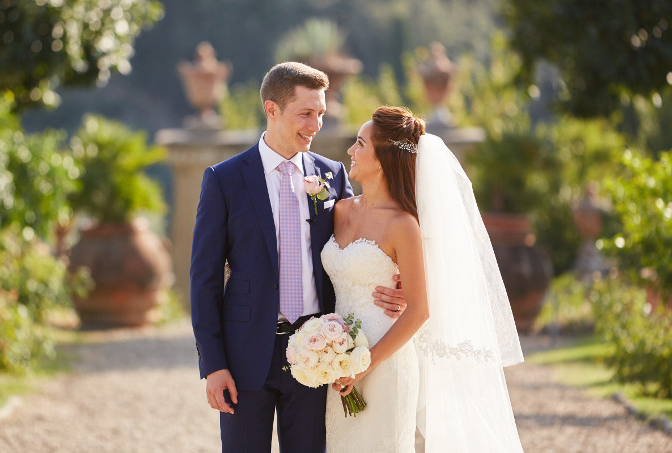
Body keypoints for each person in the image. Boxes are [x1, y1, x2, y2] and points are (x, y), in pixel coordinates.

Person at [190, 62, 407, 453]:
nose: (316, 124)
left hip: (319, 351)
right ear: (272, 109)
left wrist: (400, 281)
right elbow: (204, 279)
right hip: (243, 356)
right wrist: (213, 364)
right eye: (306, 113)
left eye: (321, 113)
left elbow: (367, 242)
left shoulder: (333, 175)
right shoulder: (224, 179)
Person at [324, 106, 525, 452]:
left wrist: (364, 363)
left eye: (359, 144)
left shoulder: (404, 225)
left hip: (384, 364)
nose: (350, 152)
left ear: (383, 159)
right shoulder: (339, 210)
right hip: (335, 359)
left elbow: (419, 310)